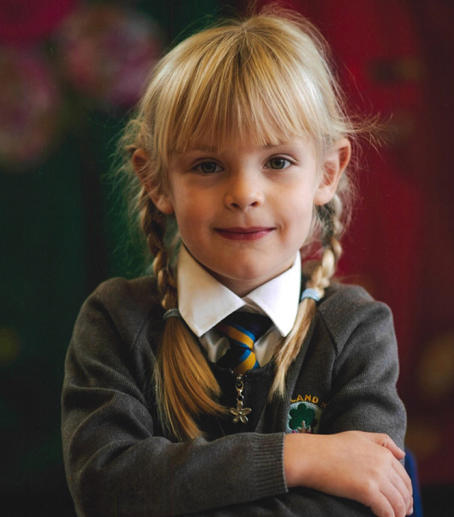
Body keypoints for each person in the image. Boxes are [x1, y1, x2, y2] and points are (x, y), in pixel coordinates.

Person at [61, 8, 411, 517]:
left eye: (278, 162)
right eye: (208, 165)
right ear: (157, 180)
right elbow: (107, 486)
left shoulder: (357, 329)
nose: (245, 193)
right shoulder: (115, 321)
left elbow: (364, 502)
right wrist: (296, 457)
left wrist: (180, 491)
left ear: (327, 172)